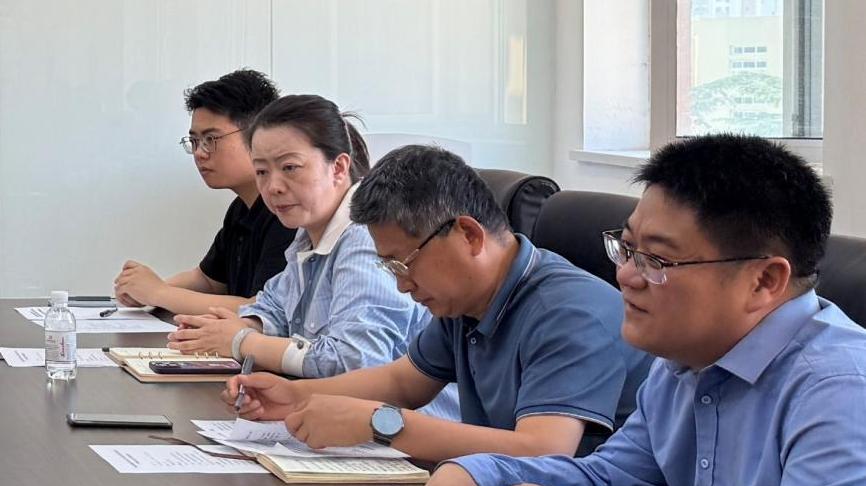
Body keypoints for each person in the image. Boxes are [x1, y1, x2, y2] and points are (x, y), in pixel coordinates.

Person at [371, 134, 866, 486]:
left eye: (657, 260)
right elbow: (611, 481)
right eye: (627, 249)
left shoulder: (840, 391)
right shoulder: (682, 365)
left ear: (764, 281)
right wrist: (476, 471)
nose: (625, 275)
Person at [221, 145, 652, 463]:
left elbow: (542, 450)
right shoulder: (466, 301)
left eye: (404, 263)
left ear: (469, 235)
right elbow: (403, 382)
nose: (401, 284)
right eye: (388, 267)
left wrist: (380, 424)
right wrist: (293, 396)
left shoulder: (568, 312)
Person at [167, 96, 457, 419]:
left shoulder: (364, 238)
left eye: (290, 168)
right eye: (261, 171)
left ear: (339, 168)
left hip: (403, 433)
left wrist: (241, 341)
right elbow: (273, 307)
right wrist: (237, 327)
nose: (273, 187)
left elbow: (357, 361)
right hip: (337, 419)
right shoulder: (308, 234)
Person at [114, 69, 296, 315]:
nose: (200, 153)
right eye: (194, 141)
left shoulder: (287, 210)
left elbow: (263, 309)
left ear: (259, 137)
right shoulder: (241, 208)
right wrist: (144, 290)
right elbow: (208, 280)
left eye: (211, 139)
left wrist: (159, 293)